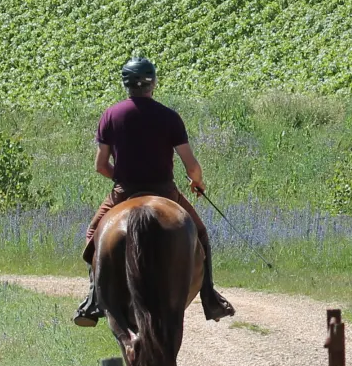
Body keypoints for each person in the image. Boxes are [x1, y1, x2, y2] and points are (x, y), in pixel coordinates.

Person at [74, 57, 235, 325]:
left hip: (124, 191)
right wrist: (197, 182)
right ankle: (210, 298)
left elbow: (101, 165)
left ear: (125, 84)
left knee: (93, 234)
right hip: (165, 191)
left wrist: (124, 177)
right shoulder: (169, 117)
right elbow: (191, 166)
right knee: (201, 234)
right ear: (154, 83)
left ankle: (93, 300)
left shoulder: (110, 116)